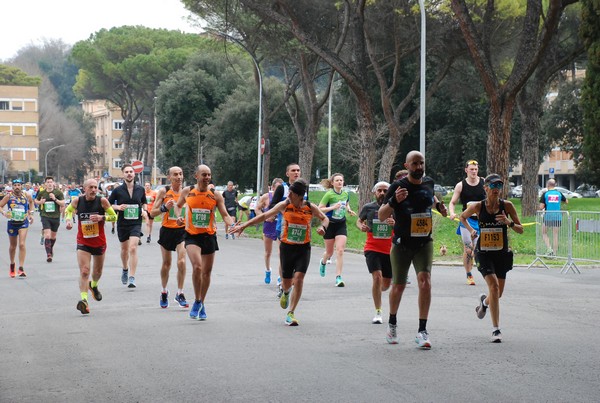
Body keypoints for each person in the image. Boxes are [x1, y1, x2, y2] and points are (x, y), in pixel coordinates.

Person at [229, 179, 329, 326]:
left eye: (291, 193)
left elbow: (325, 218)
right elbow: (264, 216)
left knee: (299, 278)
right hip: (287, 247)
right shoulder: (284, 205)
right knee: (287, 282)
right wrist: (245, 224)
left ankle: (291, 313)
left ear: (299, 195)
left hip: (304, 247)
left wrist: (323, 228)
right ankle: (286, 292)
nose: (288, 194)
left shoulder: (309, 207)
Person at [378, 151, 447, 349]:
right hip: (402, 243)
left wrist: (439, 206)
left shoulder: (429, 183)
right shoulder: (397, 187)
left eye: (421, 163)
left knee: (425, 282)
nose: (419, 167)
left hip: (424, 242)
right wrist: (393, 202)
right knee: (398, 286)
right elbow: (382, 215)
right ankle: (392, 324)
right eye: (414, 163)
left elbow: (431, 198)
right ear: (406, 165)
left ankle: (422, 331)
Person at [460, 174, 523, 343]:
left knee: (497, 293)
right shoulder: (478, 207)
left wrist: (508, 223)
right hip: (484, 253)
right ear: (485, 187)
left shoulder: (507, 206)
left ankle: (484, 303)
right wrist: (471, 230)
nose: (496, 190)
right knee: (493, 286)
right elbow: (462, 217)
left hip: (501, 254)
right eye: (493, 186)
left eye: (499, 186)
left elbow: (521, 229)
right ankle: (496, 330)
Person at [176, 164, 236, 320]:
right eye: (204, 174)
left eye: (209, 174)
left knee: (207, 272)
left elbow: (224, 214)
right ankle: (196, 300)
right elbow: (178, 206)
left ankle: (202, 302)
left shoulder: (215, 195)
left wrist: (232, 223)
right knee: (197, 267)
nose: (207, 177)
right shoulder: (188, 191)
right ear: (197, 176)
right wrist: (179, 216)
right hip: (192, 235)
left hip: (209, 236)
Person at [65, 179, 117, 315]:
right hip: (83, 242)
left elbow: (114, 217)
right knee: (84, 271)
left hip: (99, 242)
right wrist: (69, 220)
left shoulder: (102, 201)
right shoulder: (78, 201)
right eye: (91, 187)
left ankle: (93, 286)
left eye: (96, 187)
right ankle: (84, 301)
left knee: (97, 272)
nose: (94, 190)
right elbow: (68, 211)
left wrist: (102, 218)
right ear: (85, 189)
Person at [150, 166, 189, 309]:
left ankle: (180, 293)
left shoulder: (188, 192)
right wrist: (164, 208)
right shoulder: (164, 191)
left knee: (182, 261)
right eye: (175, 175)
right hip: (167, 230)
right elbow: (152, 213)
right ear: (169, 177)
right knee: (167, 264)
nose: (178, 177)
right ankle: (164, 291)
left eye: (180, 174)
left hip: (182, 231)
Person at [357, 181, 394, 324]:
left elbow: (403, 225)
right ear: (375, 192)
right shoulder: (368, 207)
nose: (382, 193)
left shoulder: (394, 207)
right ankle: (378, 311)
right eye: (380, 190)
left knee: (385, 284)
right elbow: (359, 221)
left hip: (390, 250)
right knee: (377, 277)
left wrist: (394, 224)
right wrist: (361, 226)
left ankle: (379, 291)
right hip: (372, 247)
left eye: (385, 190)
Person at [108, 164, 148, 288]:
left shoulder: (140, 189)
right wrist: (117, 207)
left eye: (131, 171)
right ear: (123, 174)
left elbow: (144, 202)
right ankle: (125, 269)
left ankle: (132, 277)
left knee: (133, 248)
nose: (129, 173)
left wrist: (144, 210)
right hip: (123, 223)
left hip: (135, 223)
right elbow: (108, 204)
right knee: (124, 250)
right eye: (126, 172)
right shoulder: (117, 190)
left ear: (134, 174)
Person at [449, 159, 486, 286]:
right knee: (469, 249)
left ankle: (483, 270)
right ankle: (469, 274)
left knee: (477, 248)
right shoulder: (461, 185)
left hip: (481, 221)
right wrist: (452, 212)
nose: (474, 172)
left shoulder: (484, 182)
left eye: (476, 169)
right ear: (466, 170)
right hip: (466, 221)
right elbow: (452, 202)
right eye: (471, 169)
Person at [318, 173, 356, 287]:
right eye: (337, 180)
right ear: (333, 183)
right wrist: (333, 208)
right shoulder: (329, 195)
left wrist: (349, 210)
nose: (340, 182)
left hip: (341, 224)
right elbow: (320, 209)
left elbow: (346, 204)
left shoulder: (345, 193)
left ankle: (338, 277)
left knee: (340, 250)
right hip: (329, 224)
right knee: (330, 252)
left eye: (341, 180)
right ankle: (323, 261)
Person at [1, 179, 35, 278]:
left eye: (18, 185)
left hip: (23, 222)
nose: (17, 187)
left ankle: (21, 268)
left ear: (21, 186)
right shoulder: (8, 196)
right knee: (13, 246)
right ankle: (12, 264)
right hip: (12, 223)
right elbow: (0, 206)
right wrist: (4, 213)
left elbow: (31, 203)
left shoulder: (26, 195)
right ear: (12, 187)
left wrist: (31, 214)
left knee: (22, 244)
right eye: (15, 185)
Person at [254, 177, 284, 284]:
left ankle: (281, 276)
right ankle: (267, 270)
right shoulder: (266, 197)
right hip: (268, 226)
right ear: (272, 187)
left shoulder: (284, 197)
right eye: (278, 188)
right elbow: (256, 209)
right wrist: (264, 217)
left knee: (282, 252)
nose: (280, 191)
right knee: (268, 252)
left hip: (280, 227)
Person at [34, 176, 65, 262]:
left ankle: (50, 248)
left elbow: (63, 203)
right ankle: (48, 255)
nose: (49, 184)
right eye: (48, 182)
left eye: (51, 182)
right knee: (47, 235)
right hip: (45, 216)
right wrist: (40, 202)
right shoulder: (42, 193)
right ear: (45, 184)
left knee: (53, 236)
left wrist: (55, 199)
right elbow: (35, 201)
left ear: (54, 183)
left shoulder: (58, 192)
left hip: (55, 216)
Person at [539, 178, 567, 256]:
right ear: (555, 185)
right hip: (557, 216)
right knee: (555, 235)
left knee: (544, 233)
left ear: (548, 185)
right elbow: (566, 201)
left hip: (548, 216)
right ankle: (554, 253)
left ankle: (549, 249)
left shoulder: (545, 194)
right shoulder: (559, 193)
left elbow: (541, 207)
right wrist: (561, 206)